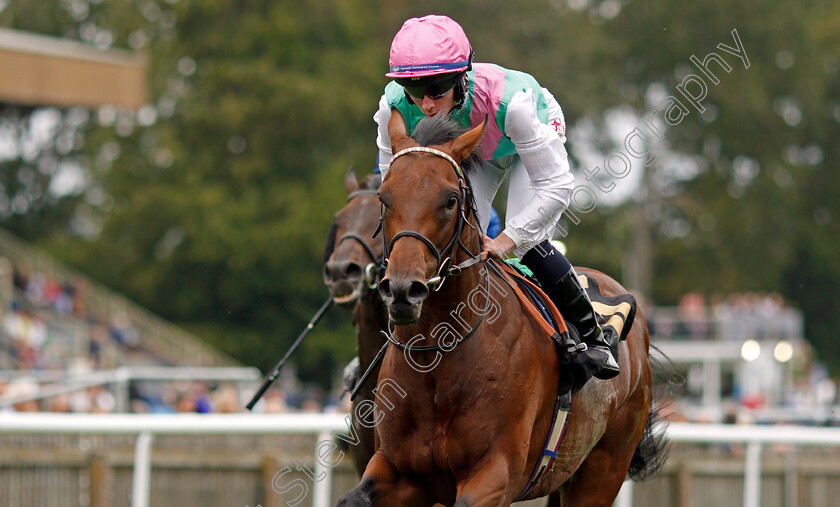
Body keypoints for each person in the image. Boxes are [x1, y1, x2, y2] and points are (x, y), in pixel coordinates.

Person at [374, 15, 618, 382]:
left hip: (526, 140)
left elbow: (558, 185)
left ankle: (593, 334)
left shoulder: (515, 107)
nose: (425, 103)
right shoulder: (389, 108)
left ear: (461, 77)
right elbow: (391, 182)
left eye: (438, 87)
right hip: (473, 152)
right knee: (457, 242)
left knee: (527, 244)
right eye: (414, 88)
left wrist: (507, 240)